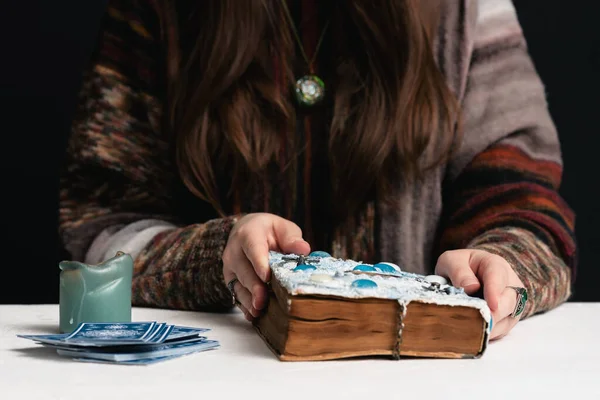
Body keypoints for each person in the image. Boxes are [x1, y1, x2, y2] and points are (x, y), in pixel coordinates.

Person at [59, 0, 576, 341]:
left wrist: (504, 267)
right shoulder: (162, 11)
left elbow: (523, 206)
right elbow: (101, 224)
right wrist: (218, 255)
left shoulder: (466, 12)